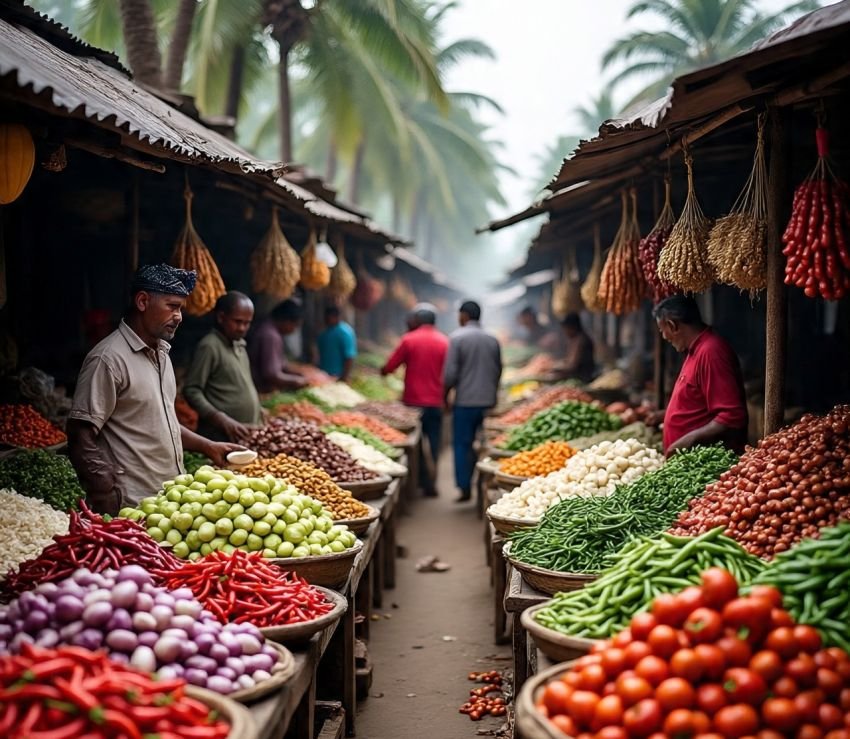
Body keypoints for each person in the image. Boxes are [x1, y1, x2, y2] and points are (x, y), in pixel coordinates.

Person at [67, 264, 244, 515]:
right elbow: (80, 434)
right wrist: (103, 490)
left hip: (170, 501)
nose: (179, 316)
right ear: (142, 301)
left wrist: (209, 446)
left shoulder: (161, 354)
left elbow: (162, 421)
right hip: (133, 506)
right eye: (172, 306)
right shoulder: (108, 359)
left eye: (180, 308)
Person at [653, 295, 748, 457]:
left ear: (672, 325)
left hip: (704, 461)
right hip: (686, 462)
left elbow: (732, 416)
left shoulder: (711, 352)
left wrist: (688, 440)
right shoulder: (694, 350)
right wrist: (666, 414)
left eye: (663, 330)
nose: (664, 337)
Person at [382, 304, 448, 497]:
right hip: (435, 401)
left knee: (415, 444)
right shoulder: (444, 341)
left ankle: (417, 483)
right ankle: (431, 481)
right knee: (433, 442)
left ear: (418, 321)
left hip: (413, 401)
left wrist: (383, 371)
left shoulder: (409, 339)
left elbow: (391, 365)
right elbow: (450, 373)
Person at [184, 291, 262, 442]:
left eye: (247, 323)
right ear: (221, 318)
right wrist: (220, 419)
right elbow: (191, 390)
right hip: (219, 436)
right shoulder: (210, 346)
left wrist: (257, 409)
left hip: (244, 433)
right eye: (237, 321)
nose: (242, 328)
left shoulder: (239, 344)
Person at [444, 300, 502, 503]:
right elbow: (498, 370)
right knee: (487, 446)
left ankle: (465, 487)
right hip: (487, 402)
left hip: (465, 402)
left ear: (465, 315)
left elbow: (450, 374)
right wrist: (493, 394)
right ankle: (483, 484)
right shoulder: (492, 339)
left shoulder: (457, 338)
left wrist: (445, 396)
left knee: (462, 444)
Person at [248, 299, 307, 393]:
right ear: (287, 321)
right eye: (295, 325)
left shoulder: (267, 328)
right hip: (261, 390)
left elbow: (281, 365)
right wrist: (297, 381)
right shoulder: (270, 335)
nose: (294, 330)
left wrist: (298, 374)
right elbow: (271, 374)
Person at [316, 305, 357, 381]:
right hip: (323, 376)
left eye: (328, 317)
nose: (326, 320)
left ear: (336, 317)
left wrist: (344, 377)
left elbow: (349, 357)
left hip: (338, 376)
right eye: (325, 317)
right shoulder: (323, 334)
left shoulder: (345, 332)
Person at [555, 313, 595, 383]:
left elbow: (572, 366)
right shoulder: (575, 339)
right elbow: (569, 360)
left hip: (582, 379)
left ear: (573, 327)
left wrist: (556, 368)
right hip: (576, 377)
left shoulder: (581, 340)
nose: (565, 332)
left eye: (566, 329)